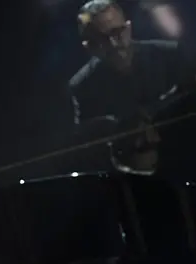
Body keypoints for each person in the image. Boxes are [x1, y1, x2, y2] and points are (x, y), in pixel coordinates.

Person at [68, 0, 185, 174]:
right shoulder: (83, 86)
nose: (114, 44)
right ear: (89, 47)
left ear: (129, 28)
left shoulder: (169, 56)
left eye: (117, 32)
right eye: (101, 39)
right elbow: (91, 146)